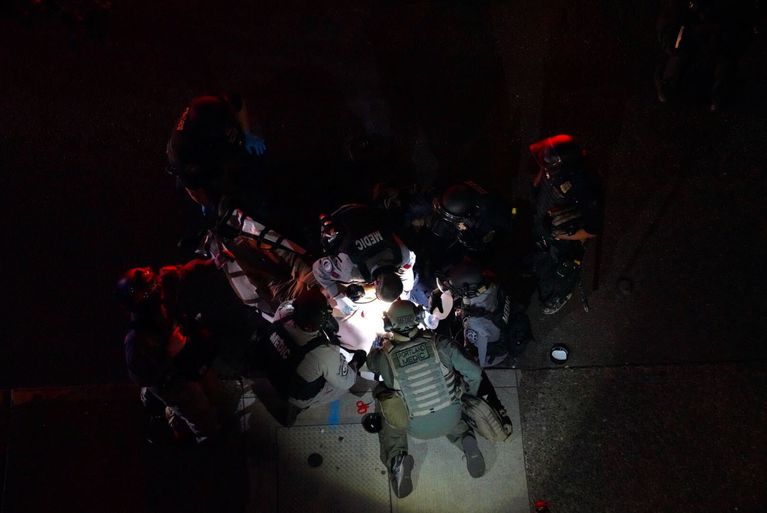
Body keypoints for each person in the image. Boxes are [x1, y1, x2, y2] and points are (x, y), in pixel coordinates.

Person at [367, 300, 485, 498]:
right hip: (451, 417)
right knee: (448, 409)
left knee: (383, 397)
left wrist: (376, 346)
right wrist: (466, 397)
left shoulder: (384, 356)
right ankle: (466, 440)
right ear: (419, 317)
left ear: (388, 324)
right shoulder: (440, 343)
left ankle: (397, 459)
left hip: (416, 427)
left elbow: (371, 366)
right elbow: (475, 374)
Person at [117, 263, 229, 443]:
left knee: (214, 393)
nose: (157, 287)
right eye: (150, 287)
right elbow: (142, 376)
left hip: (185, 360)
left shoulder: (162, 290)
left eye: (154, 283)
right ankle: (206, 441)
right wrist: (168, 354)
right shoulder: (137, 339)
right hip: (171, 381)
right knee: (199, 413)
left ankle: (176, 417)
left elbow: (181, 271)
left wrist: (213, 261)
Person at [253, 287, 365, 425]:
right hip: (292, 393)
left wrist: (319, 300)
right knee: (343, 384)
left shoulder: (284, 312)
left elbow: (296, 303)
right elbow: (346, 380)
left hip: (273, 367)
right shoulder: (323, 353)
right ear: (318, 324)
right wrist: (355, 362)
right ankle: (299, 407)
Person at [528, 134, 602, 315]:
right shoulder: (553, 171)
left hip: (563, 238)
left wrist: (562, 235)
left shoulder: (581, 186)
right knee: (539, 259)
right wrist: (540, 178)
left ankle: (560, 294)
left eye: (549, 165)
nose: (545, 169)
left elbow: (593, 229)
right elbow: (542, 179)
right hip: (543, 220)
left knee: (560, 270)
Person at [166, 94, 266, 215]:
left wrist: (247, 133)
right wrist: (209, 204)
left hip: (212, 142)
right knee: (217, 193)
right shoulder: (184, 153)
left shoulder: (210, 105)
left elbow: (238, 102)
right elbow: (194, 190)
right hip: (194, 159)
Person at [312, 204, 416, 314]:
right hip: (335, 215)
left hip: (363, 206)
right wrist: (338, 296)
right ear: (376, 283)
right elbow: (317, 269)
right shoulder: (352, 271)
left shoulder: (403, 254)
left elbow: (407, 268)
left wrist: (405, 291)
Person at [435, 260, 533, 367]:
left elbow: (472, 346)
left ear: (468, 288)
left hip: (493, 353)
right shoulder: (490, 285)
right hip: (501, 327)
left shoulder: (475, 322)